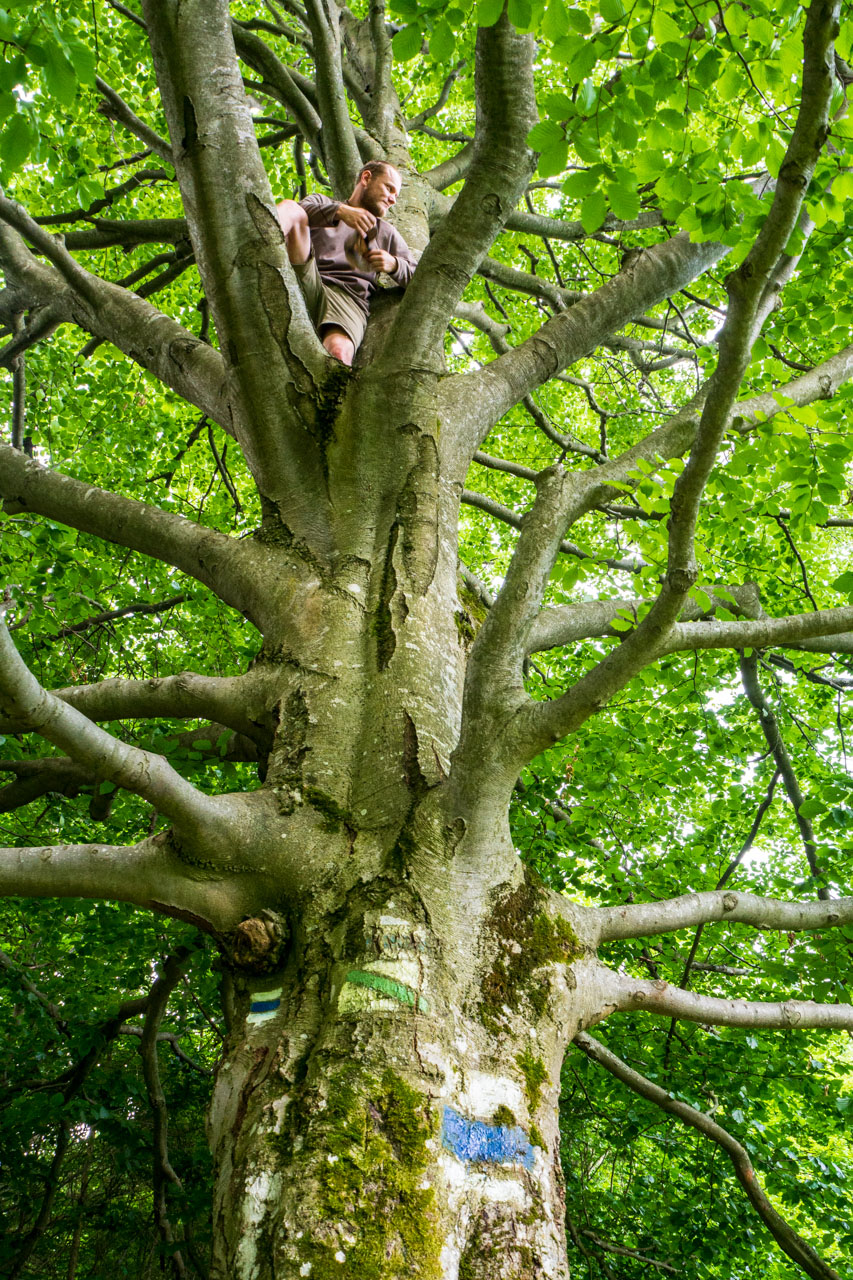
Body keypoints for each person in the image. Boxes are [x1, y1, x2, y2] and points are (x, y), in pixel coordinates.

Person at [276, 161, 417, 366]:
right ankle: (257, 240)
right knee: (290, 207)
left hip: (348, 300)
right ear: (366, 178)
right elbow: (299, 211)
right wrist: (340, 212)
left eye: (397, 194)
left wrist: (394, 264)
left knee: (339, 354)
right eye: (389, 188)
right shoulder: (322, 201)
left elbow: (420, 277)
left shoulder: (387, 233)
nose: (393, 199)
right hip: (306, 275)